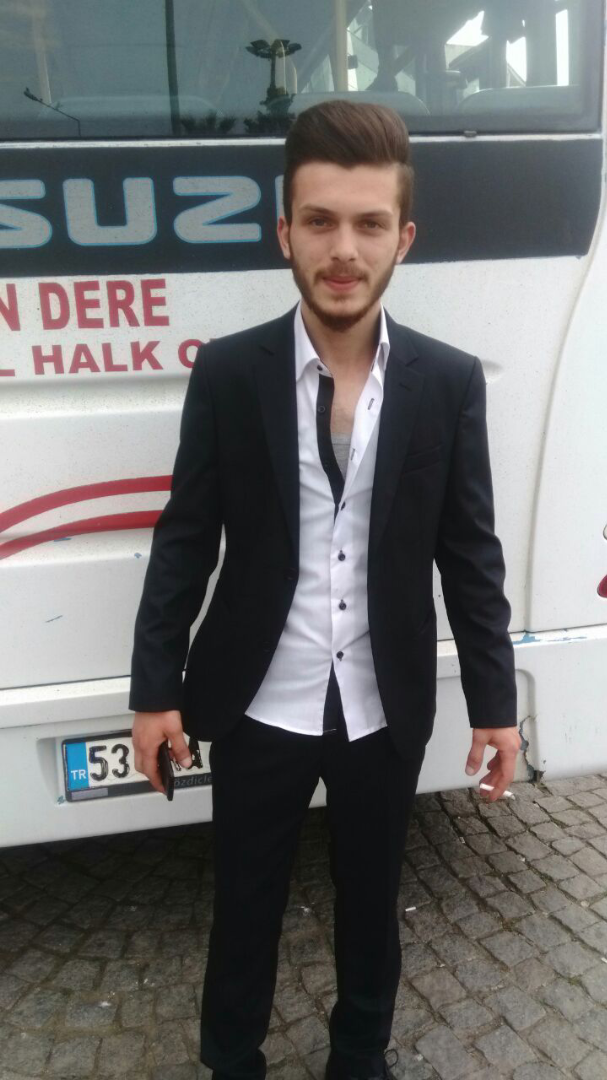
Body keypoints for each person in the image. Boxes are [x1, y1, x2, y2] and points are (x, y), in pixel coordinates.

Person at [129, 100, 520, 1080]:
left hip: (383, 704)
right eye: (320, 221)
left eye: (368, 223)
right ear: (285, 232)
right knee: (244, 903)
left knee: (371, 902)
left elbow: (469, 554)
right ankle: (232, 1062)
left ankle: (359, 1059)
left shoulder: (447, 381)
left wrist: (495, 704)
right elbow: (185, 539)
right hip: (259, 697)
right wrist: (155, 689)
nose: (343, 249)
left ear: (403, 238)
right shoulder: (230, 373)